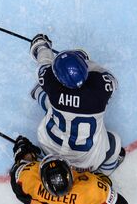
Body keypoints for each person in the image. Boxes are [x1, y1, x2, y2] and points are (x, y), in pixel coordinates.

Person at [10, 136, 137, 204]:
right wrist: (103, 181)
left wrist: (23, 152)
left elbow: (18, 167)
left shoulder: (27, 179)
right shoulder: (90, 189)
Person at [29, 34, 124, 175]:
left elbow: (43, 65)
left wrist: (41, 46)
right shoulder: (100, 89)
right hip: (86, 162)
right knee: (114, 143)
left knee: (52, 106)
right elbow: (111, 79)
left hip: (50, 150)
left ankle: (38, 94)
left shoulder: (52, 84)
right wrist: (84, 59)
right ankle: (103, 176)